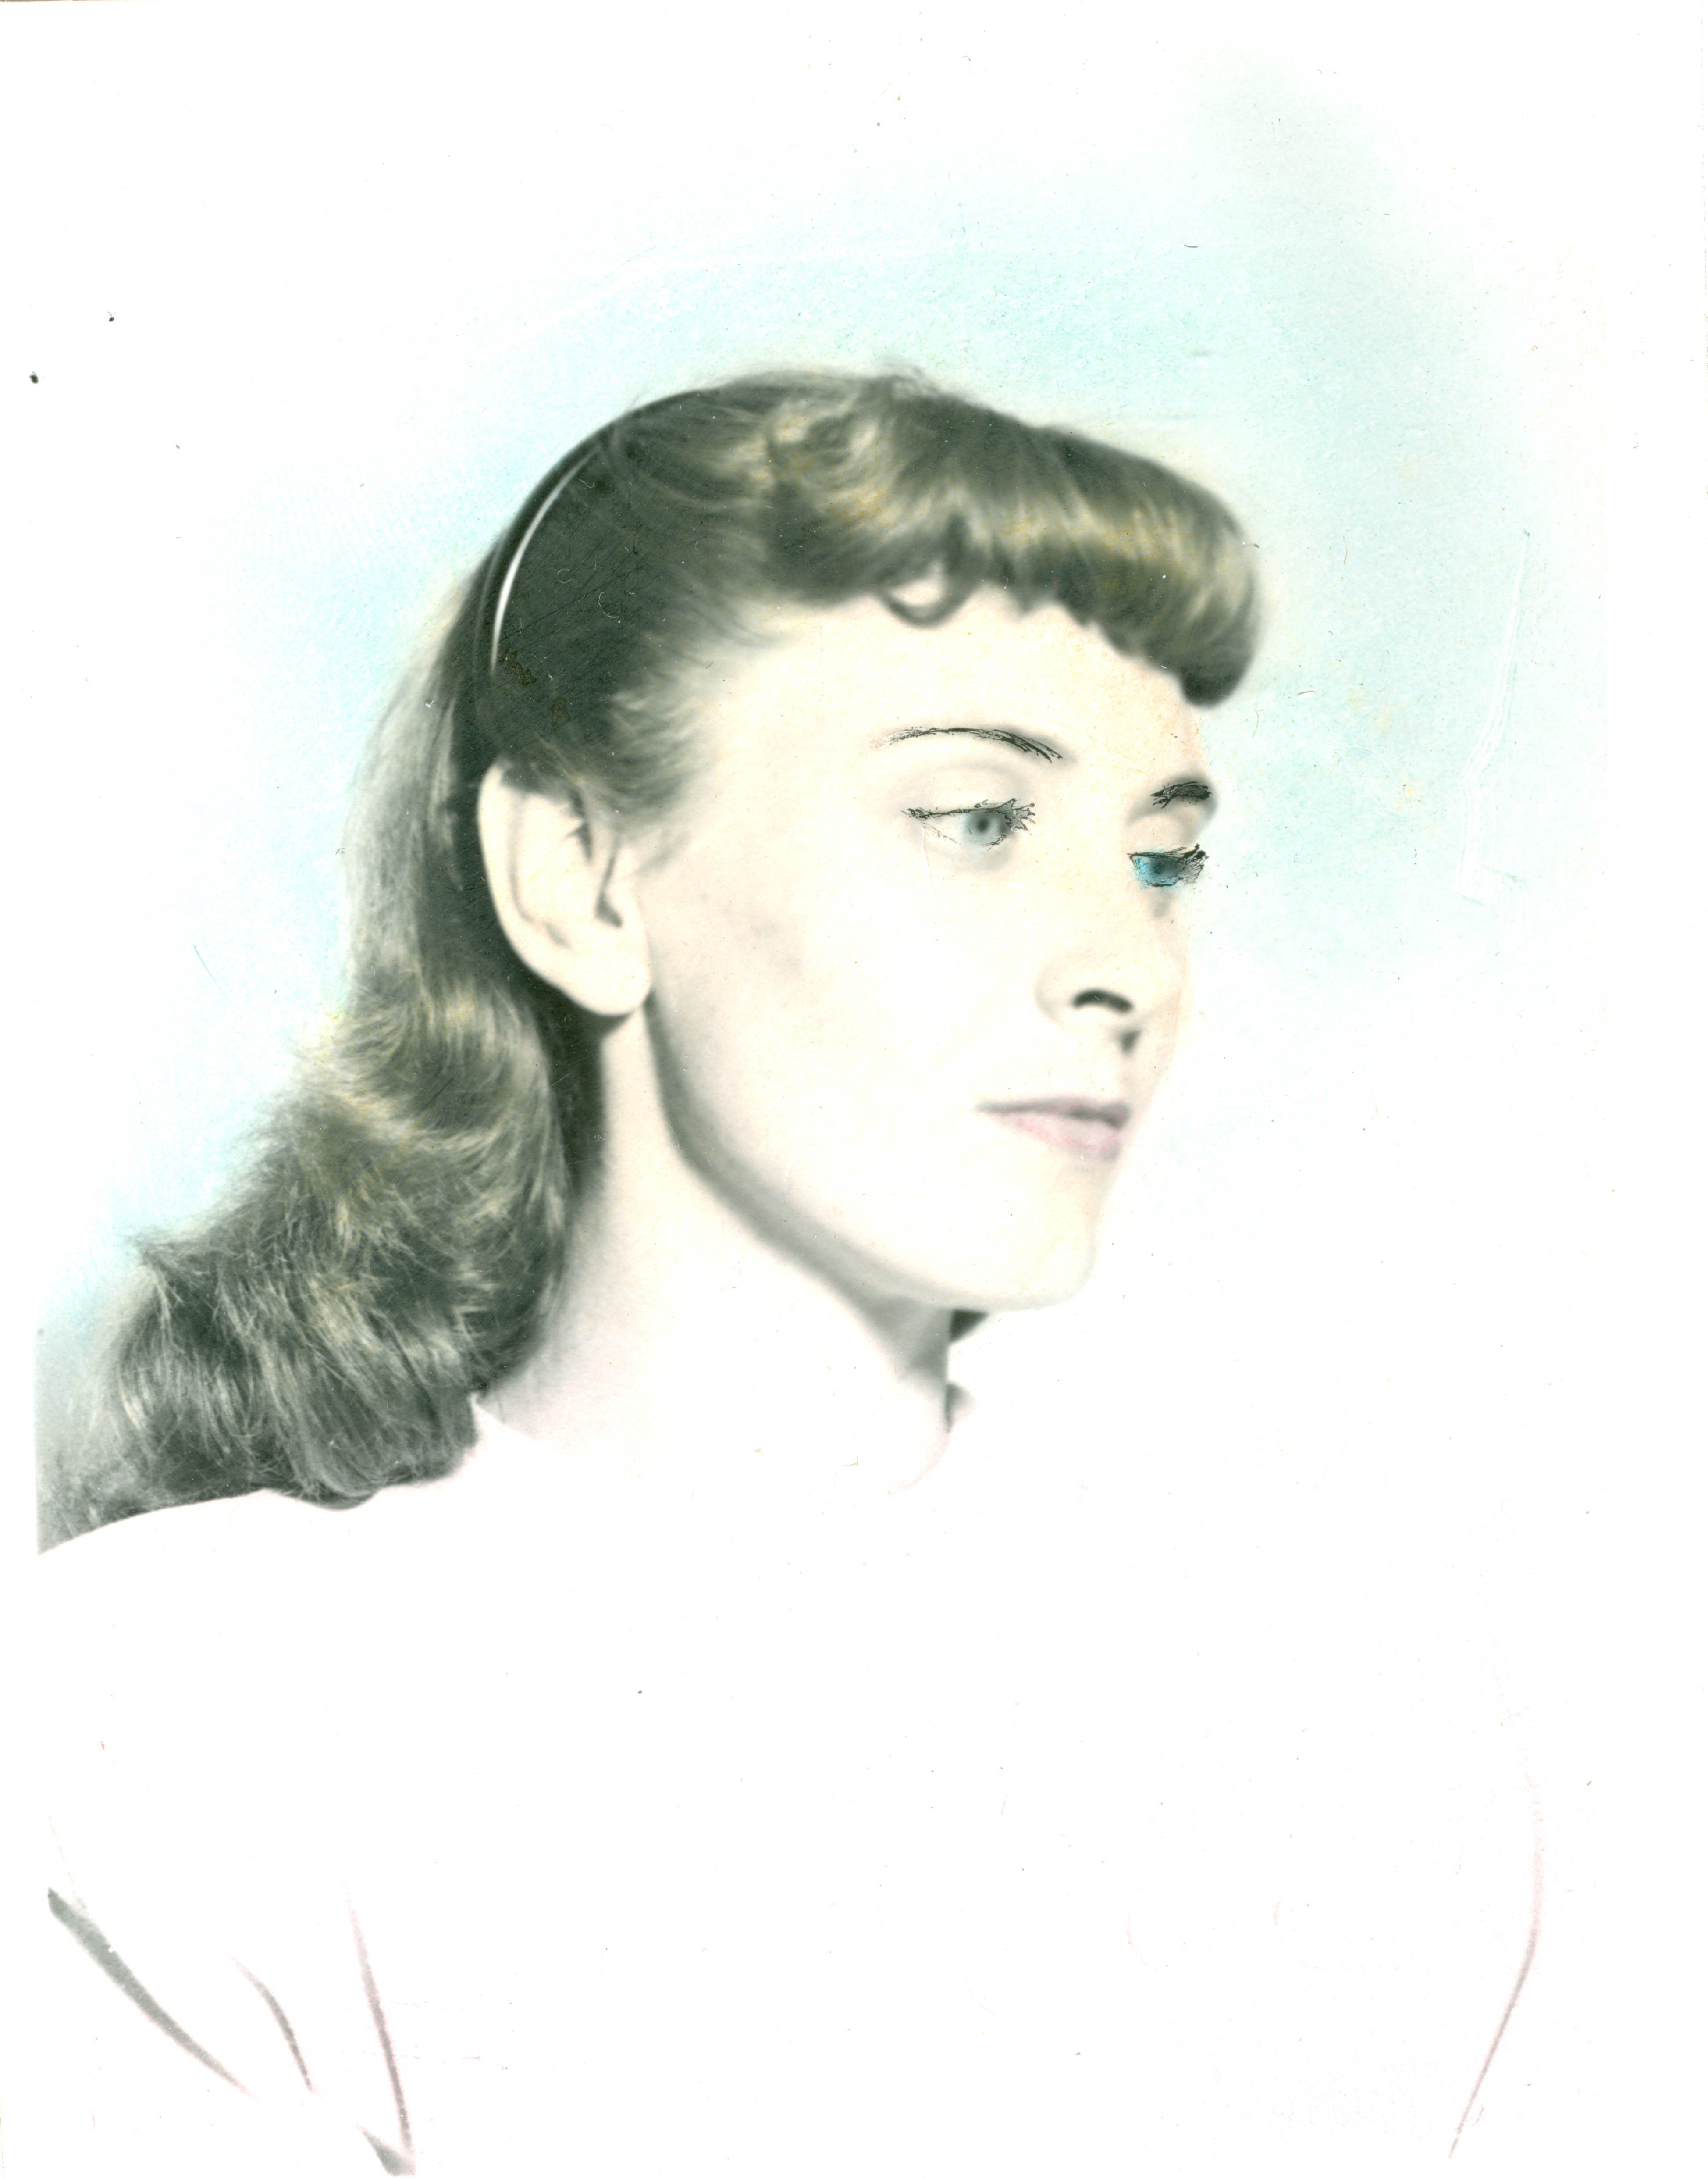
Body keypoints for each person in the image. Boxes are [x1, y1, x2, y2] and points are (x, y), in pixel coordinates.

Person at [35, 373, 1533, 2177]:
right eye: (975, 818)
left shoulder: (1338, 1703)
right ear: (578, 879)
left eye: (1161, 858)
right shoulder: (168, 1707)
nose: (1129, 962)